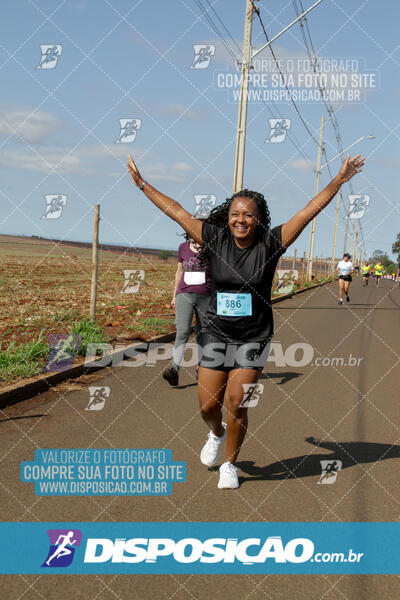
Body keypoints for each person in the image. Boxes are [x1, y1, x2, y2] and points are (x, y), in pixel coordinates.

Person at [127, 152, 365, 490]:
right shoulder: (214, 237)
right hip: (214, 332)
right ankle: (216, 433)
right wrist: (142, 185)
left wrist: (339, 180)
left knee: (236, 401)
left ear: (258, 219)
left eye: (248, 215)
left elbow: (309, 211)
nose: (241, 220)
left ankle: (230, 464)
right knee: (209, 406)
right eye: (236, 214)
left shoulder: (271, 243)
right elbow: (177, 211)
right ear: (229, 217)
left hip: (253, 336)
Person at [162, 234, 211, 387]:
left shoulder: (211, 248)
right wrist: (174, 295)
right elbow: (179, 272)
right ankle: (174, 370)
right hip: (184, 293)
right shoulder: (183, 247)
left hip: (206, 294)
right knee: (182, 331)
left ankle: (202, 368)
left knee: (203, 333)